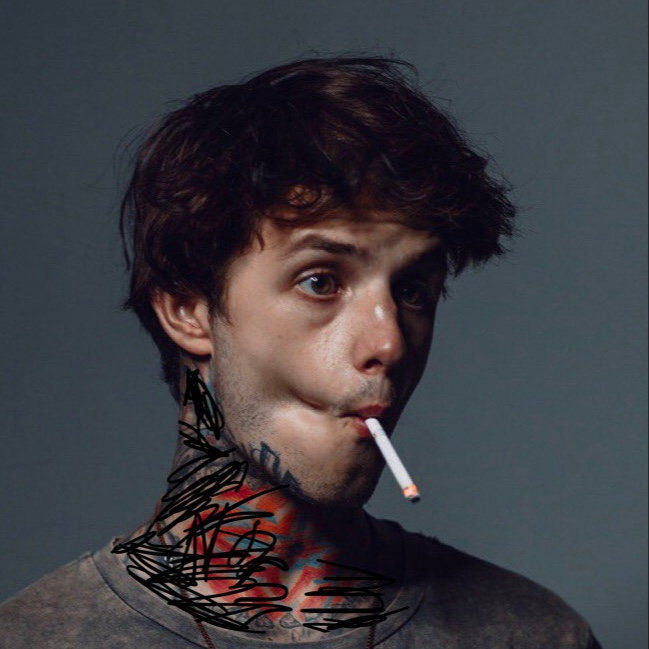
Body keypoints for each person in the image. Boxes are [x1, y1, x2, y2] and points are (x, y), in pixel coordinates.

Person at [0, 56, 602, 648]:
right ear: (188, 309)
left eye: (413, 290)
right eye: (321, 281)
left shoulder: (534, 634)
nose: (389, 342)